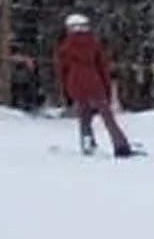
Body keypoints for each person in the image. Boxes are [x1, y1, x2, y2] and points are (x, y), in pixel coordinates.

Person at [54, 12, 135, 157]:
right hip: (94, 82)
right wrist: (107, 90)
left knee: (84, 116)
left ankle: (87, 144)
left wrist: (66, 92)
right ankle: (120, 145)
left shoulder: (64, 47)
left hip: (75, 84)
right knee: (107, 117)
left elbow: (62, 71)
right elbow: (103, 68)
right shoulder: (94, 44)